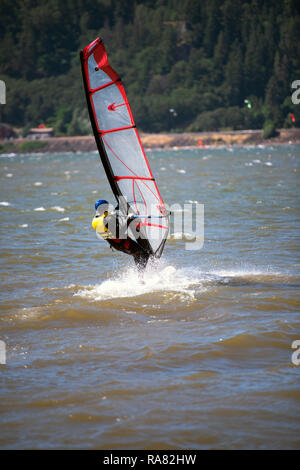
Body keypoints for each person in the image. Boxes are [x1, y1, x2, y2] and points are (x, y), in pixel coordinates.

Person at [92, 199, 150, 270]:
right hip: (122, 243)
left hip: (117, 244)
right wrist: (128, 220)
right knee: (144, 254)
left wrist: (117, 210)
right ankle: (141, 276)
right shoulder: (106, 220)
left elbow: (111, 221)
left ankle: (140, 276)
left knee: (137, 254)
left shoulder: (97, 219)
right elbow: (119, 233)